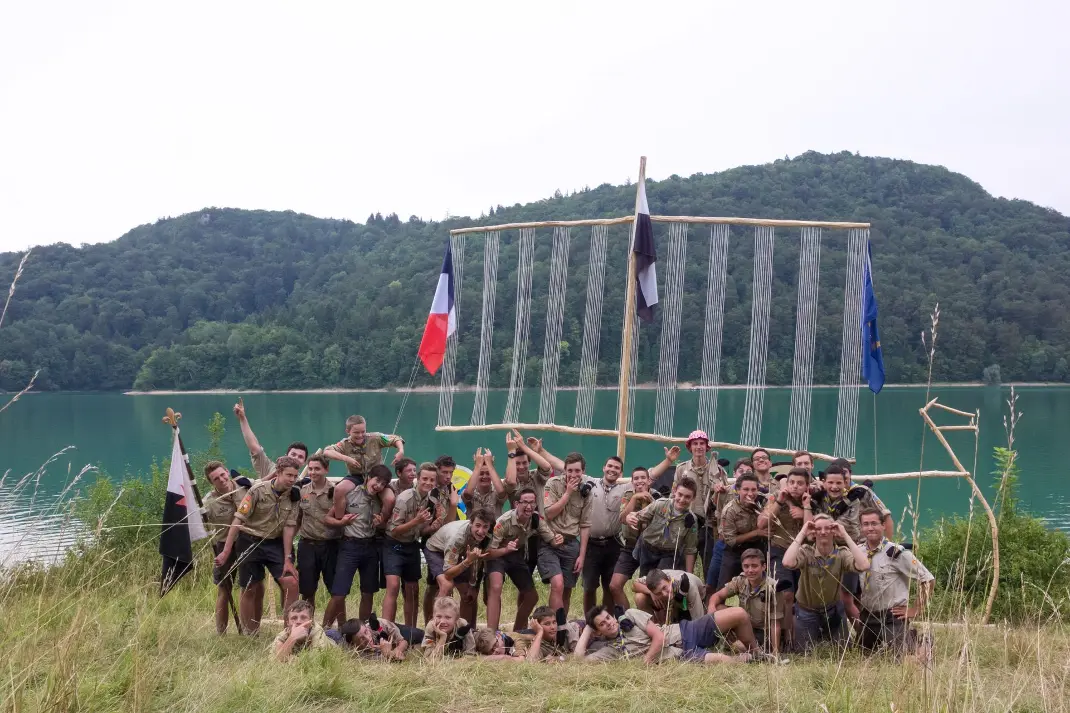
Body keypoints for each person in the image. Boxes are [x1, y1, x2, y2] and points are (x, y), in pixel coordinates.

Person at [214, 455, 301, 635]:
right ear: (278, 473)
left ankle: (289, 632)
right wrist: (226, 551)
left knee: (291, 582)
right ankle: (251, 633)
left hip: (275, 543)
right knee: (249, 588)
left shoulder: (293, 496)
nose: (292, 479)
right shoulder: (257, 491)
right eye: (289, 475)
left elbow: (289, 528)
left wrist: (288, 558)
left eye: (295, 476)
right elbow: (238, 520)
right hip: (250, 541)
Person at [812, 464, 892, 619]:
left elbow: (883, 517)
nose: (834, 487)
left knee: (848, 598)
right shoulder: (819, 499)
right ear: (824, 482)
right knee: (842, 597)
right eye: (830, 483)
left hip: (852, 552)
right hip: (829, 553)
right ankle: (859, 634)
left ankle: (866, 636)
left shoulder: (854, 499)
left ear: (845, 483)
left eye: (839, 483)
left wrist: (887, 545)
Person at [782, 514, 870, 652]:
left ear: (834, 531)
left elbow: (864, 565)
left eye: (827, 528)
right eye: (818, 529)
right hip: (807, 611)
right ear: (814, 532)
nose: (823, 532)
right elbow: (787, 562)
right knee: (803, 654)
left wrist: (845, 534)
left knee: (843, 652)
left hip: (832, 610)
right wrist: (803, 532)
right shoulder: (806, 552)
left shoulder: (841, 553)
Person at [858, 508, 935, 659]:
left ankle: (923, 642)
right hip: (868, 616)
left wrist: (915, 610)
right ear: (861, 527)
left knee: (899, 658)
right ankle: (911, 638)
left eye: (874, 523)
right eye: (865, 524)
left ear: (883, 526)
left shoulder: (897, 553)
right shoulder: (858, 552)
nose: (870, 528)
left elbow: (928, 579)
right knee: (862, 656)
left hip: (891, 617)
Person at [322, 464, 393, 627]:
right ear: (369, 477)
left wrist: (380, 523)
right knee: (339, 593)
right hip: (349, 546)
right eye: (377, 481)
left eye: (383, 484)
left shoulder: (381, 499)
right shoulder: (351, 493)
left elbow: (385, 525)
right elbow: (327, 519)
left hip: (370, 547)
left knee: (368, 593)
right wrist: (342, 522)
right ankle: (324, 631)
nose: (379, 486)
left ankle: (363, 632)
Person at [485, 488, 561, 631]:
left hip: (514, 555)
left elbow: (551, 540)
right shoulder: (503, 522)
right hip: (496, 555)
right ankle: (492, 634)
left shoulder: (536, 519)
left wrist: (558, 539)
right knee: (496, 587)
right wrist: (505, 549)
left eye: (532, 502)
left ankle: (518, 632)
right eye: (525, 502)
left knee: (532, 597)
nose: (529, 506)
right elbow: (488, 553)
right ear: (516, 504)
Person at [576, 606, 754, 664]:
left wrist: (646, 662)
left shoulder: (629, 615)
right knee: (723, 660)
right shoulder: (611, 651)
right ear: (598, 631)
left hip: (684, 631)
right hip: (681, 654)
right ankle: (748, 658)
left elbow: (659, 638)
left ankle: (759, 651)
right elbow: (578, 660)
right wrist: (587, 630)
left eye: (608, 617)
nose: (609, 623)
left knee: (738, 613)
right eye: (602, 624)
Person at [385, 462, 445, 627]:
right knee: (394, 586)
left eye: (432, 480)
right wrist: (416, 521)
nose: (428, 482)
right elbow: (394, 530)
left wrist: (435, 525)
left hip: (411, 544)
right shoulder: (405, 498)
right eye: (424, 478)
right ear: (418, 479)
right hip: (394, 544)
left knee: (412, 590)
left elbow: (422, 530)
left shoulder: (432, 500)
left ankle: (410, 632)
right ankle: (386, 630)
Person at [608, 458, 674, 609]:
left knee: (652, 588)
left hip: (651, 549)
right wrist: (635, 498)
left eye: (643, 478)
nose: (639, 481)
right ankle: (629, 618)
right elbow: (623, 518)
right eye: (636, 478)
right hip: (630, 546)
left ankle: (655, 621)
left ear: (649, 480)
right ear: (632, 481)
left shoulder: (658, 497)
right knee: (614, 586)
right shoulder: (628, 494)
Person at [759, 467, 812, 645]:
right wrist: (780, 503)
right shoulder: (776, 496)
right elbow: (761, 523)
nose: (795, 486)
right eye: (792, 482)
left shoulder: (812, 499)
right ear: (787, 483)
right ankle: (787, 639)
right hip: (779, 549)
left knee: (803, 596)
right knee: (786, 595)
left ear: (807, 485)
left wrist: (805, 508)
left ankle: (800, 636)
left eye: (800, 483)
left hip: (804, 552)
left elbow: (811, 534)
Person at [541, 452, 593, 616]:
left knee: (567, 590)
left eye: (577, 471)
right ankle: (552, 626)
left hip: (571, 544)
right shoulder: (553, 483)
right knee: (557, 584)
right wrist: (568, 493)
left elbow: (585, 525)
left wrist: (582, 556)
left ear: (583, 471)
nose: (573, 475)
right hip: (550, 540)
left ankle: (561, 630)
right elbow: (549, 513)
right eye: (570, 470)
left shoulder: (587, 491)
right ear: (564, 470)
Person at [200, 460, 249, 634]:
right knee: (224, 589)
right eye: (215, 479)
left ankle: (248, 629)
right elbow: (198, 525)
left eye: (222, 474)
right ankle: (221, 632)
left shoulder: (244, 486)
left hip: (247, 541)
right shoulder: (208, 503)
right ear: (211, 483)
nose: (221, 479)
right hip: (223, 546)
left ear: (227, 472)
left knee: (248, 585)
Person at [708, 548, 784, 655]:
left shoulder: (773, 588)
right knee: (719, 608)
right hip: (743, 626)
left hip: (761, 632)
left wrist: (775, 651)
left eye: (754, 566)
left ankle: (746, 648)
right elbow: (717, 596)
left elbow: (775, 624)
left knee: (743, 648)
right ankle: (735, 644)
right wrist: (711, 609)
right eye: (746, 566)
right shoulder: (740, 580)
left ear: (764, 566)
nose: (750, 570)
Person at [295, 454, 342, 626]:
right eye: (311, 468)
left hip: (331, 545)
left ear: (326, 469)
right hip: (307, 545)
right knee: (307, 591)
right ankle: (308, 626)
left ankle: (338, 628)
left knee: (336, 590)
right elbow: (297, 519)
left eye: (318, 469)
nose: (313, 472)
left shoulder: (336, 491)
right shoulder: (303, 491)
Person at [673, 431, 728, 574]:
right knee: (683, 568)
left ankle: (708, 596)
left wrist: (720, 492)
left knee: (710, 568)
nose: (699, 447)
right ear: (690, 447)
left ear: (707, 447)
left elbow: (726, 500)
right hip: (688, 521)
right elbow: (675, 496)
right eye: (695, 443)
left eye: (702, 443)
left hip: (711, 524)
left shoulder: (718, 470)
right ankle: (684, 595)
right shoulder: (681, 470)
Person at [582, 455, 630, 616]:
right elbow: (565, 466)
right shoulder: (590, 482)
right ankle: (590, 621)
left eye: (617, 468)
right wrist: (539, 451)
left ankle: (606, 621)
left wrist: (668, 461)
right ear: (603, 468)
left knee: (609, 586)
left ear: (621, 473)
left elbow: (647, 476)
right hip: (590, 543)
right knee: (589, 587)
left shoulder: (624, 489)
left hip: (613, 544)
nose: (612, 469)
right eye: (610, 466)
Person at [428, 508, 494, 623]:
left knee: (468, 595)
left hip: (461, 554)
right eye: (477, 526)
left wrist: (473, 585)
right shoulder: (458, 538)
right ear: (470, 523)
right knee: (446, 585)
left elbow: (478, 561)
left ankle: (464, 632)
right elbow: (448, 574)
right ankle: (435, 629)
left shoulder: (488, 535)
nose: (480, 531)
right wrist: (467, 562)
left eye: (485, 527)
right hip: (436, 549)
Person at [504, 430, 556, 574]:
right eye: (517, 463)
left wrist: (525, 447)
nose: (521, 466)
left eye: (524, 463)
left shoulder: (536, 477)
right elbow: (510, 481)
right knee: (524, 581)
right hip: (520, 535)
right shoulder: (511, 479)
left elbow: (547, 467)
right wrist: (511, 452)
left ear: (529, 462)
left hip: (541, 533)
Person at [626, 476, 699, 574]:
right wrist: (630, 517)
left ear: (693, 498)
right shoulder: (660, 504)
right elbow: (638, 516)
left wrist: (689, 574)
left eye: (687, 497)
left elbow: (690, 549)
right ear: (674, 492)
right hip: (648, 548)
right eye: (680, 494)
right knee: (645, 582)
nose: (682, 499)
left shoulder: (691, 520)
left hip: (669, 553)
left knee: (662, 582)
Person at [421, 455, 461, 623]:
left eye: (451, 473)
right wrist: (453, 505)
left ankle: (445, 622)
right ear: (436, 470)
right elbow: (428, 527)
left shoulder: (450, 488)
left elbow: (452, 525)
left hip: (448, 544)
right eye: (444, 472)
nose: (448, 476)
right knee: (435, 586)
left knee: (441, 585)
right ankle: (430, 623)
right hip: (432, 544)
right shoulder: (429, 492)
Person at [706, 458, 753, 591]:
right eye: (741, 471)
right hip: (723, 544)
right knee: (712, 583)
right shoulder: (724, 491)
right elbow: (714, 507)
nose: (744, 473)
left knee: (743, 587)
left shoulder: (755, 494)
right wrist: (717, 491)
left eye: (748, 471)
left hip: (745, 545)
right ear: (734, 474)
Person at [233, 399, 308, 479]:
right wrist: (242, 418)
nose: (295, 458)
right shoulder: (269, 468)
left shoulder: (302, 483)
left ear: (304, 463)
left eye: (300, 457)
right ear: (286, 456)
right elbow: (255, 448)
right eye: (293, 454)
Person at [717, 473, 767, 589]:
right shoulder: (730, 510)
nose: (750, 493)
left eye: (754, 489)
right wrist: (756, 533)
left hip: (757, 549)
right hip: (734, 551)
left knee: (761, 588)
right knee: (723, 588)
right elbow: (730, 541)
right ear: (738, 490)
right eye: (746, 489)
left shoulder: (763, 501)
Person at [323, 415, 406, 481]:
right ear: (348, 432)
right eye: (356, 432)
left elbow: (396, 439)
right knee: (339, 489)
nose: (360, 435)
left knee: (389, 498)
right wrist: (346, 458)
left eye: (363, 431)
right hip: (356, 477)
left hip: (377, 476)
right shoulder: (344, 444)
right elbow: (327, 452)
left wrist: (401, 451)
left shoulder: (375, 438)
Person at [632, 568, 705, 624]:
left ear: (669, 580)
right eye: (658, 593)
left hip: (691, 602)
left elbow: (699, 620)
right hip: (674, 600)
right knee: (640, 597)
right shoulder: (655, 578)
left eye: (664, 588)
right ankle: (654, 628)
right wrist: (651, 593)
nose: (664, 594)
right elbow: (634, 585)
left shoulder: (689, 585)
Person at [336, 614, 411, 661]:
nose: (368, 638)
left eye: (366, 632)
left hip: (395, 629)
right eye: (361, 638)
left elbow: (403, 641)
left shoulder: (379, 624)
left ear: (366, 626)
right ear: (353, 644)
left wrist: (397, 650)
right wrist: (388, 654)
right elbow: (384, 660)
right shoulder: (355, 654)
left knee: (418, 635)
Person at [461, 448, 509, 520]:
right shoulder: (471, 489)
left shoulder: (496, 490)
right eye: (481, 473)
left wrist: (490, 464)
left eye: (488, 473)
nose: (485, 476)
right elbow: (468, 493)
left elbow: (501, 492)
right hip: (474, 530)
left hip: (494, 530)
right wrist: (477, 466)